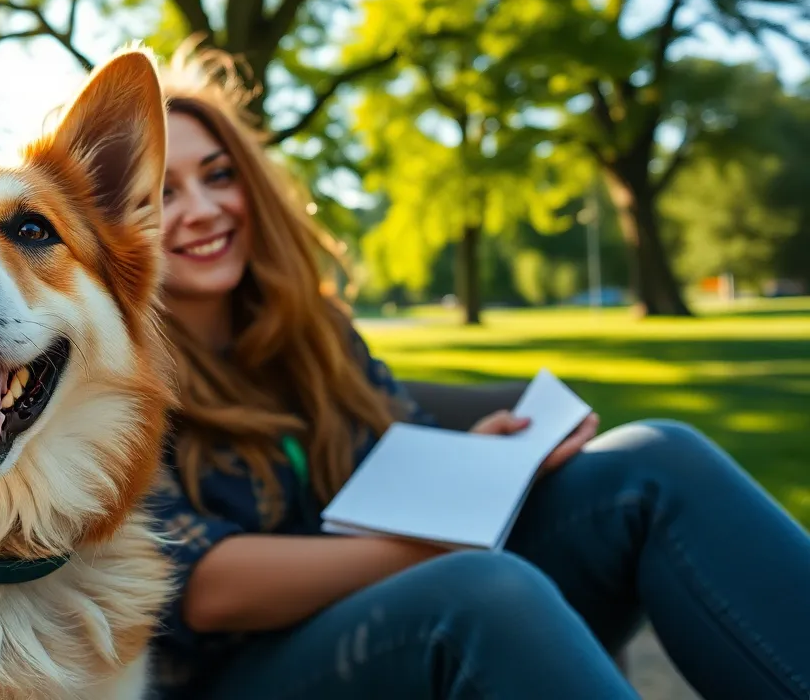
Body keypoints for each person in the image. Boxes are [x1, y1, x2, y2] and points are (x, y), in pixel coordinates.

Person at [145, 46, 810, 700]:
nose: (202, 208)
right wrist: (445, 542)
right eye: (161, 194)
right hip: (242, 673)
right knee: (483, 589)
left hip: (392, 599)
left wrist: (483, 466)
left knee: (657, 463)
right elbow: (204, 588)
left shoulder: (315, 334)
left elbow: (399, 455)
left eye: (220, 175)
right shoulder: (109, 377)